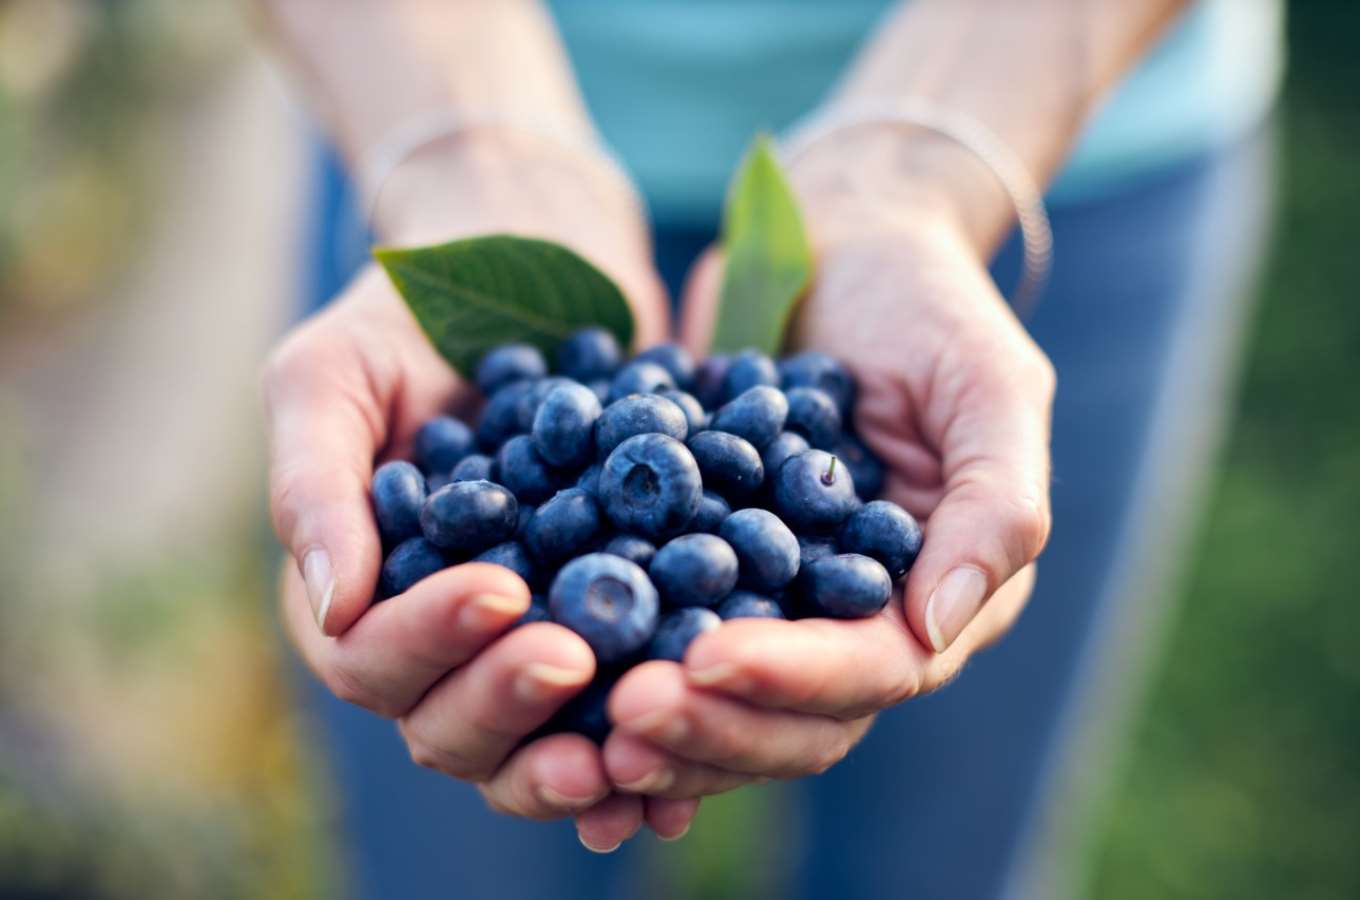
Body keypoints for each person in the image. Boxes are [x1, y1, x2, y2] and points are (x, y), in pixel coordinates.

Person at [259, 1, 1281, 896]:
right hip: (421, 114)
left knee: (941, 858)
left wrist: (917, 164)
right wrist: (459, 146)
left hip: (1064, 127)